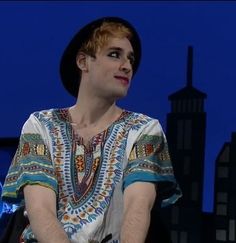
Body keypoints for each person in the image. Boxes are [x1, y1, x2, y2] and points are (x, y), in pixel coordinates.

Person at [1, 16, 181, 243]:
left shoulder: (144, 130)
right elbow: (40, 209)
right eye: (114, 54)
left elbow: (138, 206)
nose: (126, 66)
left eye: (130, 59)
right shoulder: (41, 125)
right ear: (83, 62)